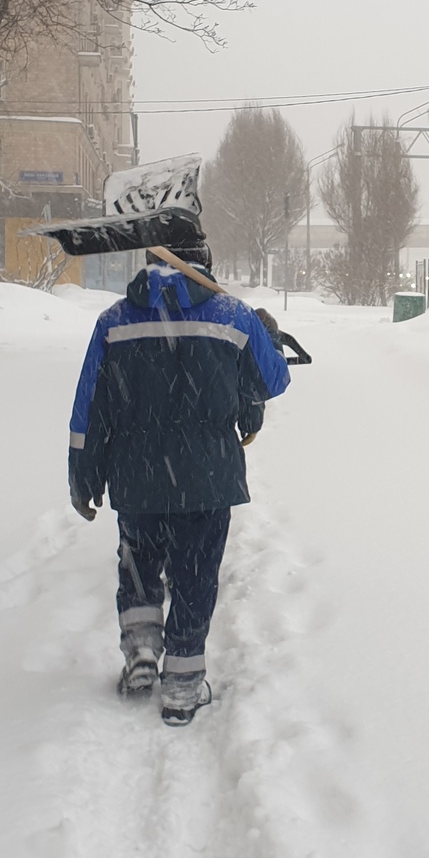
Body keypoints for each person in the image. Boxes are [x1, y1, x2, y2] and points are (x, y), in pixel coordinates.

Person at [67, 241, 291, 725]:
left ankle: (142, 654)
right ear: (203, 261)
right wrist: (262, 336)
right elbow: (271, 381)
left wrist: (83, 475)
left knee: (138, 565)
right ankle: (184, 684)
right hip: (207, 480)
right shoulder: (231, 315)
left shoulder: (114, 322)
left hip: (136, 476)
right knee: (194, 576)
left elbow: (91, 406)